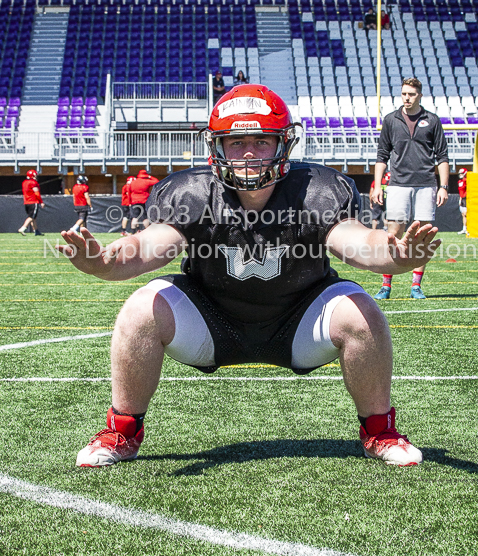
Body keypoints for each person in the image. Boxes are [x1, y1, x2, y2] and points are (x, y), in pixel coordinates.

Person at [59, 84, 440, 469]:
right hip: (212, 322)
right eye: (236, 140)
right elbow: (147, 247)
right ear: (217, 147)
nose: (248, 153)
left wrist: (395, 254)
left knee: (362, 309)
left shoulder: (315, 190)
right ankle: (122, 430)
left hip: (299, 322)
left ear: (283, 144)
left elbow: (357, 242)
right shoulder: (192, 192)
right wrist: (105, 262)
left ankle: (379, 430)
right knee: (141, 308)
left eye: (261, 140)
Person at [371, 77, 449, 300]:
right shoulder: (391, 120)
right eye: (404, 93)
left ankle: (416, 285)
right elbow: (381, 156)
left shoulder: (432, 120)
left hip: (426, 184)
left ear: (420, 95)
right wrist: (378, 185)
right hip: (397, 184)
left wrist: (443, 186)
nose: (406, 98)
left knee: (422, 237)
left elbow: (442, 157)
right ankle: (386, 285)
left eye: (411, 94)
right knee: (392, 235)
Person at [128, 169, 159, 233]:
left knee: (135, 217)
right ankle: (147, 231)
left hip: (134, 201)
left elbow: (129, 192)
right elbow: (156, 181)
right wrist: (149, 177)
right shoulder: (146, 181)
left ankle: (133, 232)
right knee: (145, 217)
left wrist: (129, 202)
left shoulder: (133, 182)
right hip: (144, 200)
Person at [18, 169, 45, 236]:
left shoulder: (24, 182)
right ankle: (23, 228)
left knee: (33, 217)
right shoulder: (33, 182)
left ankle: (36, 231)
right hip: (33, 201)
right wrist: (41, 202)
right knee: (31, 217)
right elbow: (36, 193)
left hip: (26, 202)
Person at [457, 168, 467, 235]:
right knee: (463, 214)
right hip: (462, 198)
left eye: (462, 173)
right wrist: (460, 199)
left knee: (466, 214)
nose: (460, 175)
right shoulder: (460, 181)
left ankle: (467, 228)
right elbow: (461, 191)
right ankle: (464, 229)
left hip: (467, 198)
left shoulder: (467, 180)